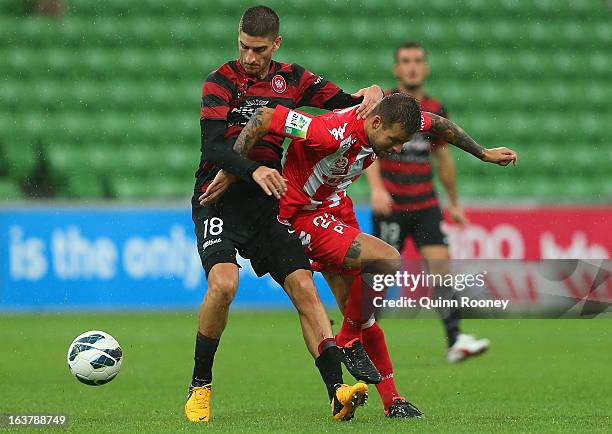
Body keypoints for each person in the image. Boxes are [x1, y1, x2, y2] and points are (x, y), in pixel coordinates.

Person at [202, 93, 517, 417]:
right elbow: (266, 117)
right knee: (386, 260)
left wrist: (483, 153)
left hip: (335, 208)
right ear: (376, 123)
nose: (396, 149)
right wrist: (232, 169)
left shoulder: (392, 119)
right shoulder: (328, 132)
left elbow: (438, 124)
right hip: (300, 215)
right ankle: (348, 339)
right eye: (394, 141)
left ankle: (392, 400)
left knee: (360, 308)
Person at [186, 6, 385, 423]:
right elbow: (213, 149)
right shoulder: (219, 82)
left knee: (303, 286)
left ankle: (337, 392)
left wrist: (373, 94)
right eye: (243, 47)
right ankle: (200, 386)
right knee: (223, 284)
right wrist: (254, 168)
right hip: (218, 198)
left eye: (258, 50)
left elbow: (349, 104)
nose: (249, 57)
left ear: (276, 45)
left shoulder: (293, 79)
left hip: (266, 203)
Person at [366, 42, 491, 362]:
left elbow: (443, 159)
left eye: (417, 61)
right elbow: (369, 147)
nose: (411, 67)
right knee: (379, 277)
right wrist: (377, 189)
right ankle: (361, 339)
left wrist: (454, 202)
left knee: (441, 269)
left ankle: (455, 340)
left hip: (425, 204)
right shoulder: (387, 106)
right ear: (396, 69)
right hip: (391, 205)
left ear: (426, 68)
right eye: (405, 61)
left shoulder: (436, 109)